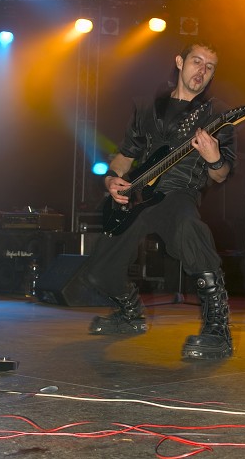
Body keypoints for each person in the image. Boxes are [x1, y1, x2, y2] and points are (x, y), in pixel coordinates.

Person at [84, 42, 236, 360]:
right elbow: (125, 155)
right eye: (197, 61)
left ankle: (218, 331)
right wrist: (111, 180)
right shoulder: (148, 107)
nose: (202, 71)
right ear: (179, 62)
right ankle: (130, 315)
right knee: (98, 270)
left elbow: (221, 175)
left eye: (209, 67)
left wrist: (214, 158)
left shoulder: (217, 115)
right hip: (138, 195)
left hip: (178, 193)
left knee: (189, 229)